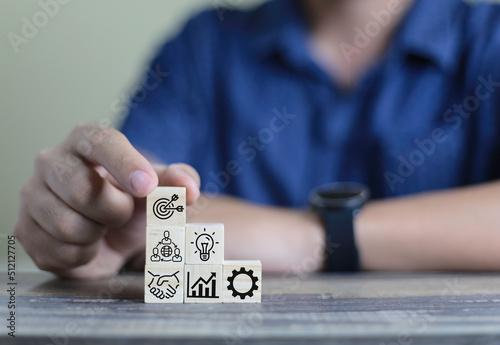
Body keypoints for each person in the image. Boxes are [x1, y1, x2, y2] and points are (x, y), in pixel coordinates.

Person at [14, 0, 500, 279]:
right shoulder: (205, 46)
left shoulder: (490, 37)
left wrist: (307, 240)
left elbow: (177, 244)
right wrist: (90, 214)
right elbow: (146, 232)